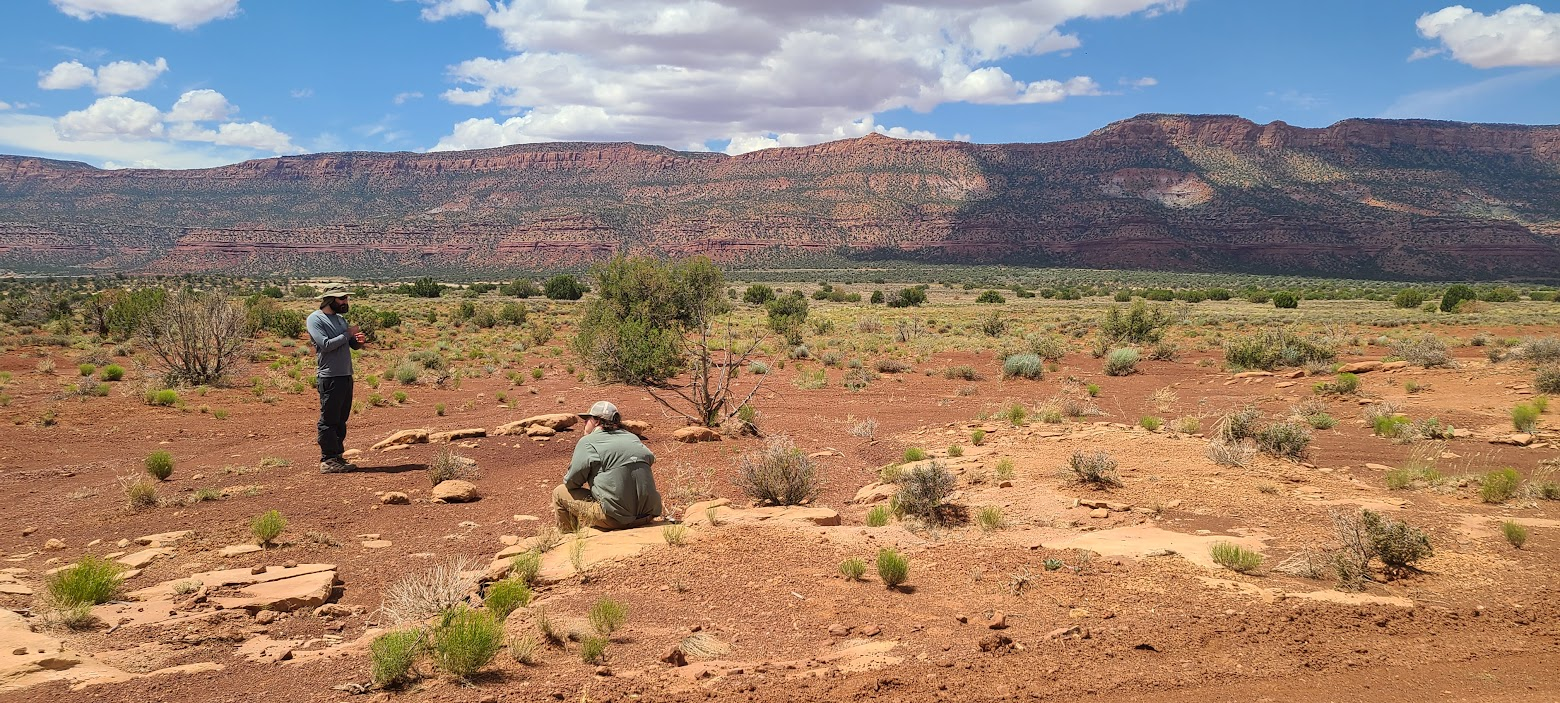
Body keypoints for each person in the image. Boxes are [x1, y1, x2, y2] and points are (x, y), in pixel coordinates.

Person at [553, 401, 664, 531]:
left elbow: (571, 483)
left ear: (597, 421)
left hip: (616, 519)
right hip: (647, 515)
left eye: (587, 419)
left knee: (559, 492)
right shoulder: (632, 437)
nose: (584, 423)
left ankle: (569, 539)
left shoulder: (588, 442)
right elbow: (649, 457)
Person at [308, 288, 366, 473]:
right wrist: (347, 334)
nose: (345, 302)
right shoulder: (315, 319)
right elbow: (325, 345)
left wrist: (357, 341)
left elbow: (350, 345)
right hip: (330, 376)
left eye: (346, 298)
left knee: (341, 419)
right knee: (329, 420)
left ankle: (337, 457)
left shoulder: (340, 320)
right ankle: (327, 460)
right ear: (330, 299)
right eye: (342, 298)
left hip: (345, 375)